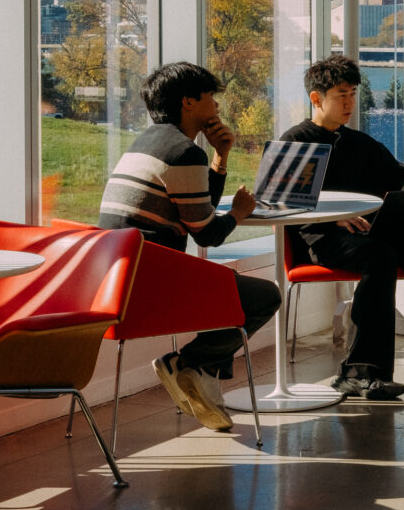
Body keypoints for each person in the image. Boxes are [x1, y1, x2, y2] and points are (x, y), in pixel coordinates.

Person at [98, 62, 282, 433]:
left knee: (231, 291)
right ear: (189, 102)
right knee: (265, 296)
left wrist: (220, 157)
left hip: (118, 278)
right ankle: (189, 366)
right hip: (151, 282)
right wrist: (242, 213)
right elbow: (208, 235)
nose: (216, 104)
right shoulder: (182, 152)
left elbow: (196, 213)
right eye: (210, 96)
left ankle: (200, 375)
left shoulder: (148, 143)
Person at [277, 55, 404, 400]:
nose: (350, 102)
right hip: (318, 236)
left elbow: (403, 176)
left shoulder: (359, 143)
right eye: (341, 94)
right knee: (378, 256)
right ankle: (360, 373)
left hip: (364, 232)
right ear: (316, 98)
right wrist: (331, 218)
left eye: (353, 93)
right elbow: (281, 201)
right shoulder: (296, 141)